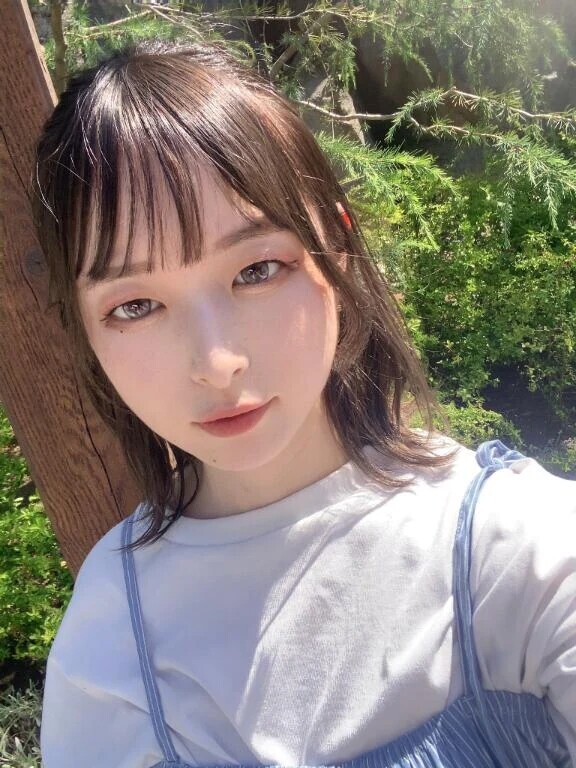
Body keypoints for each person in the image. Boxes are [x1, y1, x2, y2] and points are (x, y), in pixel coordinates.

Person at [33, 41, 576, 768]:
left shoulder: (515, 548)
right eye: (134, 306)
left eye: (258, 269)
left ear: (337, 249)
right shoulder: (109, 641)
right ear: (83, 328)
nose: (217, 362)